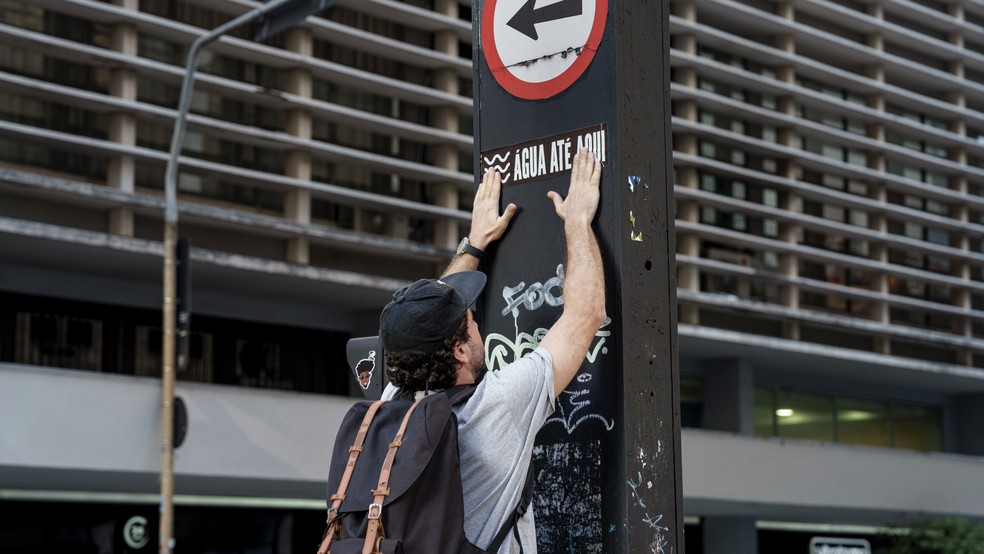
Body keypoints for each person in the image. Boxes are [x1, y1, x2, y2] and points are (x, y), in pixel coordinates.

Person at [377, 148, 606, 553]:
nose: (479, 323)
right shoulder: (499, 404)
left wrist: (475, 243)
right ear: (461, 352)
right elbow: (587, 313)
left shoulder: (393, 406)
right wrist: (577, 222)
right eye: (471, 322)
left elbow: (428, 317)